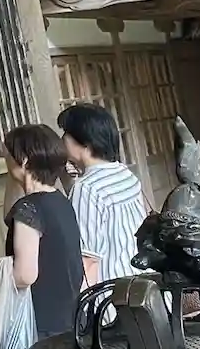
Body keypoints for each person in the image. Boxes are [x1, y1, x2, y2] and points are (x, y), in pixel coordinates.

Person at [3, 123, 85, 341]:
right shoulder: (61, 201)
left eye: (8, 156)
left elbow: (25, 275)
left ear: (24, 161)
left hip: (42, 326)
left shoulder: (29, 209)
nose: (5, 161)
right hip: (71, 319)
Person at [58, 103, 148, 284]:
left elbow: (88, 261)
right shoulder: (124, 173)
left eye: (66, 133)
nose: (62, 139)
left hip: (113, 291)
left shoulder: (86, 188)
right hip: (143, 282)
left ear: (85, 143)